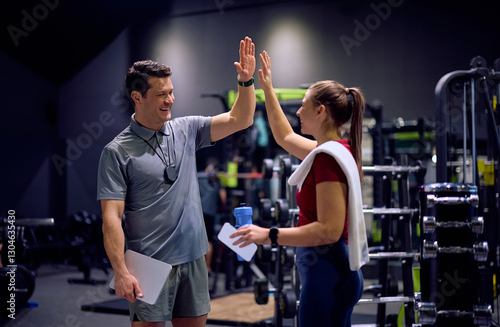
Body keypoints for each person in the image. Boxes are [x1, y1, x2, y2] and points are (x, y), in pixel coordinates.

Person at [97, 36, 256, 327]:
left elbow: (241, 119)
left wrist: (245, 83)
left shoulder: (187, 129)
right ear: (137, 97)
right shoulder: (117, 151)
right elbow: (111, 218)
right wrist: (120, 271)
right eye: (161, 94)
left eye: (171, 92)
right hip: (149, 263)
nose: (170, 100)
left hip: (193, 257)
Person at [231, 51, 369, 326]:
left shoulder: (329, 158)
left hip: (327, 274)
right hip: (329, 273)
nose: (297, 111)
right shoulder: (334, 150)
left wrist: (268, 234)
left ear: (321, 111)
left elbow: (328, 230)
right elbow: (285, 136)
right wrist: (267, 89)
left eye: (303, 104)